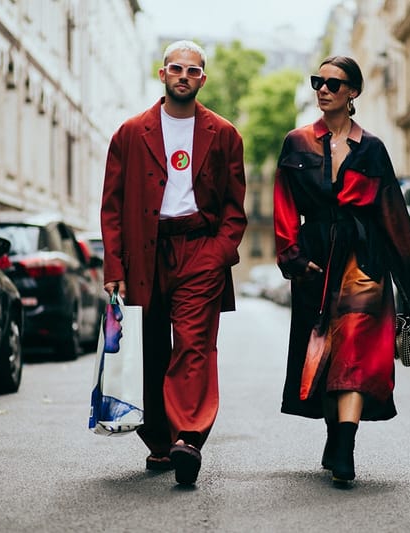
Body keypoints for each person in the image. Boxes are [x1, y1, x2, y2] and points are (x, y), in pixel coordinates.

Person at [273, 56, 410, 485]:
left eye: (334, 84)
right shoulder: (297, 142)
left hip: (365, 257)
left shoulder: (373, 149)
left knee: (357, 347)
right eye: (318, 81)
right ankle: (333, 431)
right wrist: (290, 256)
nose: (323, 89)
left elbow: (393, 214)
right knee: (324, 350)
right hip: (316, 259)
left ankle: (345, 446)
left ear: (353, 92)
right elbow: (284, 203)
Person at [100, 40, 247, 485]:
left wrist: (218, 255)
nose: (184, 76)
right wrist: (114, 269)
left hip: (199, 250)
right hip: (146, 250)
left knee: (193, 343)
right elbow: (111, 206)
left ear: (203, 79)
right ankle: (160, 441)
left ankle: (188, 437)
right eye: (176, 68)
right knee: (150, 347)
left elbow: (234, 207)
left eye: (193, 70)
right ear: (162, 74)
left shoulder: (224, 134)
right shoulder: (130, 132)